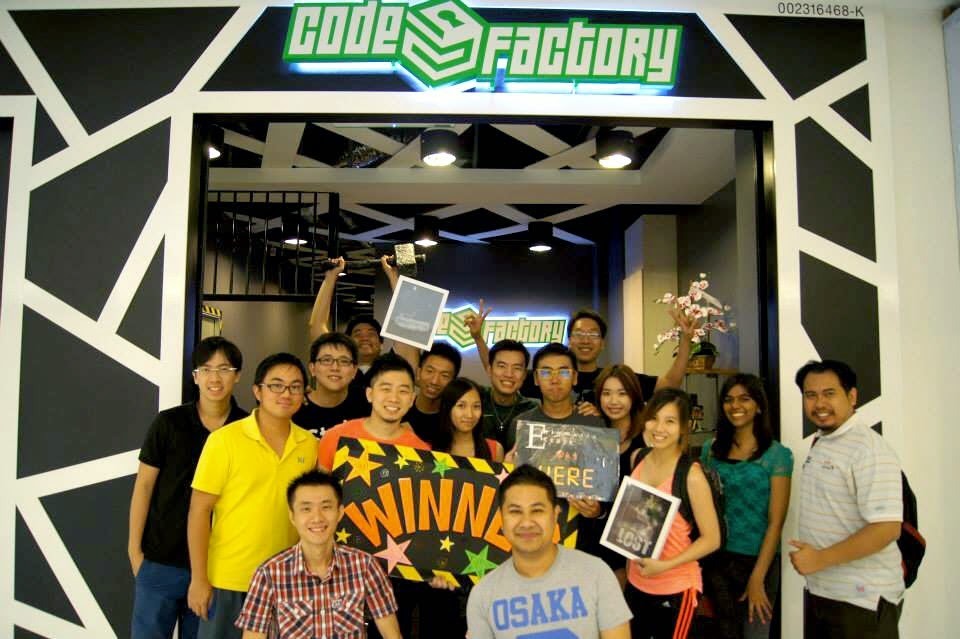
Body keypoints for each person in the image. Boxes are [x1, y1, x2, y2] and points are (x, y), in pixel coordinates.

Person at [187, 353, 319, 639]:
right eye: (276, 385)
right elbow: (199, 511)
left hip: (286, 582)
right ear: (257, 391)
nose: (286, 393)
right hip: (229, 580)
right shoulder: (224, 440)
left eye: (295, 387)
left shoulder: (309, 445)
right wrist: (199, 579)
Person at [128, 337, 248, 639]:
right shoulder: (168, 423)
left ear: (237, 375)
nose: (215, 378)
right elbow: (144, 486)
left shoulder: (247, 429)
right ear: (195, 376)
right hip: (161, 562)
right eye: (206, 369)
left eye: (224, 369)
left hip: (217, 568)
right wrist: (134, 552)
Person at [790, 360, 903, 639]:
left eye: (829, 393)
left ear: (851, 396)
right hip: (824, 593)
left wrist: (820, 559)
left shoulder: (868, 449)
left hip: (861, 600)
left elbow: (887, 528)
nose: (819, 403)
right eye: (810, 395)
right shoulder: (823, 441)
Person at [466, 465, 632, 639]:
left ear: (555, 514)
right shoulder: (482, 595)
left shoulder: (597, 574)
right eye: (515, 511)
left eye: (537, 510)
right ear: (501, 519)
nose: (527, 522)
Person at [235, 470, 401, 639]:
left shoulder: (365, 566)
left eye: (326, 507)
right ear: (292, 516)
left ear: (340, 512)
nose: (317, 518)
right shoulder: (268, 574)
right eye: (306, 509)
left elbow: (392, 635)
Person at [700, 374, 793, 639]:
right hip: (716, 560)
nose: (735, 406)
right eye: (729, 400)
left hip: (757, 561)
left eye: (744, 399)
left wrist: (757, 578)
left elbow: (776, 522)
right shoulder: (710, 450)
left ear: (759, 406)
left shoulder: (777, 455)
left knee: (755, 633)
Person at [625, 388, 722, 639]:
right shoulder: (638, 458)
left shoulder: (691, 475)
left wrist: (665, 565)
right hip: (636, 582)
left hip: (675, 587)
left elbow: (712, 539)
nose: (659, 428)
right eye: (653, 418)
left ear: (683, 428)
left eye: (670, 421)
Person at [520, 307, 697, 405]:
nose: (585, 340)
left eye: (593, 335)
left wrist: (686, 340)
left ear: (602, 343)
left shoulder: (616, 379)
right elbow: (505, 378)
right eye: (579, 334)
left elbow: (670, 384)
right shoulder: (545, 376)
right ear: (569, 341)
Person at [580, 364, 650, 588]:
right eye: (607, 393)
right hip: (592, 540)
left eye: (622, 393)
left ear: (634, 396)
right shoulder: (593, 433)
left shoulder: (648, 438)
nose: (613, 401)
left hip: (631, 545)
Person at [316, 352, 431, 472]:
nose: (394, 398)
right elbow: (320, 483)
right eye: (386, 389)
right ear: (369, 394)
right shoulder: (335, 437)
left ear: (412, 399)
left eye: (403, 391)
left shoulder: (422, 453)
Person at [463, 301, 540, 450]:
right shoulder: (476, 398)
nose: (509, 374)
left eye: (517, 368)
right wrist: (477, 337)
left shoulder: (532, 410)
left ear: (525, 374)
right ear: (489, 370)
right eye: (502, 366)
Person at [294, 332, 369, 438]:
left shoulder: (368, 403)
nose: (335, 368)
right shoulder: (295, 407)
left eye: (344, 361)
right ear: (312, 368)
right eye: (326, 360)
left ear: (354, 370)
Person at [403, 342, 462, 447]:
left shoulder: (455, 421)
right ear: (418, 373)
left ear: (453, 381)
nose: (434, 381)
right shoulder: (399, 410)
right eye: (430, 371)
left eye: (444, 376)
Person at [433, 377, 505, 462]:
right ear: (447, 408)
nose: (470, 415)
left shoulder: (495, 449)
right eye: (461, 406)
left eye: (476, 406)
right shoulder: (429, 448)